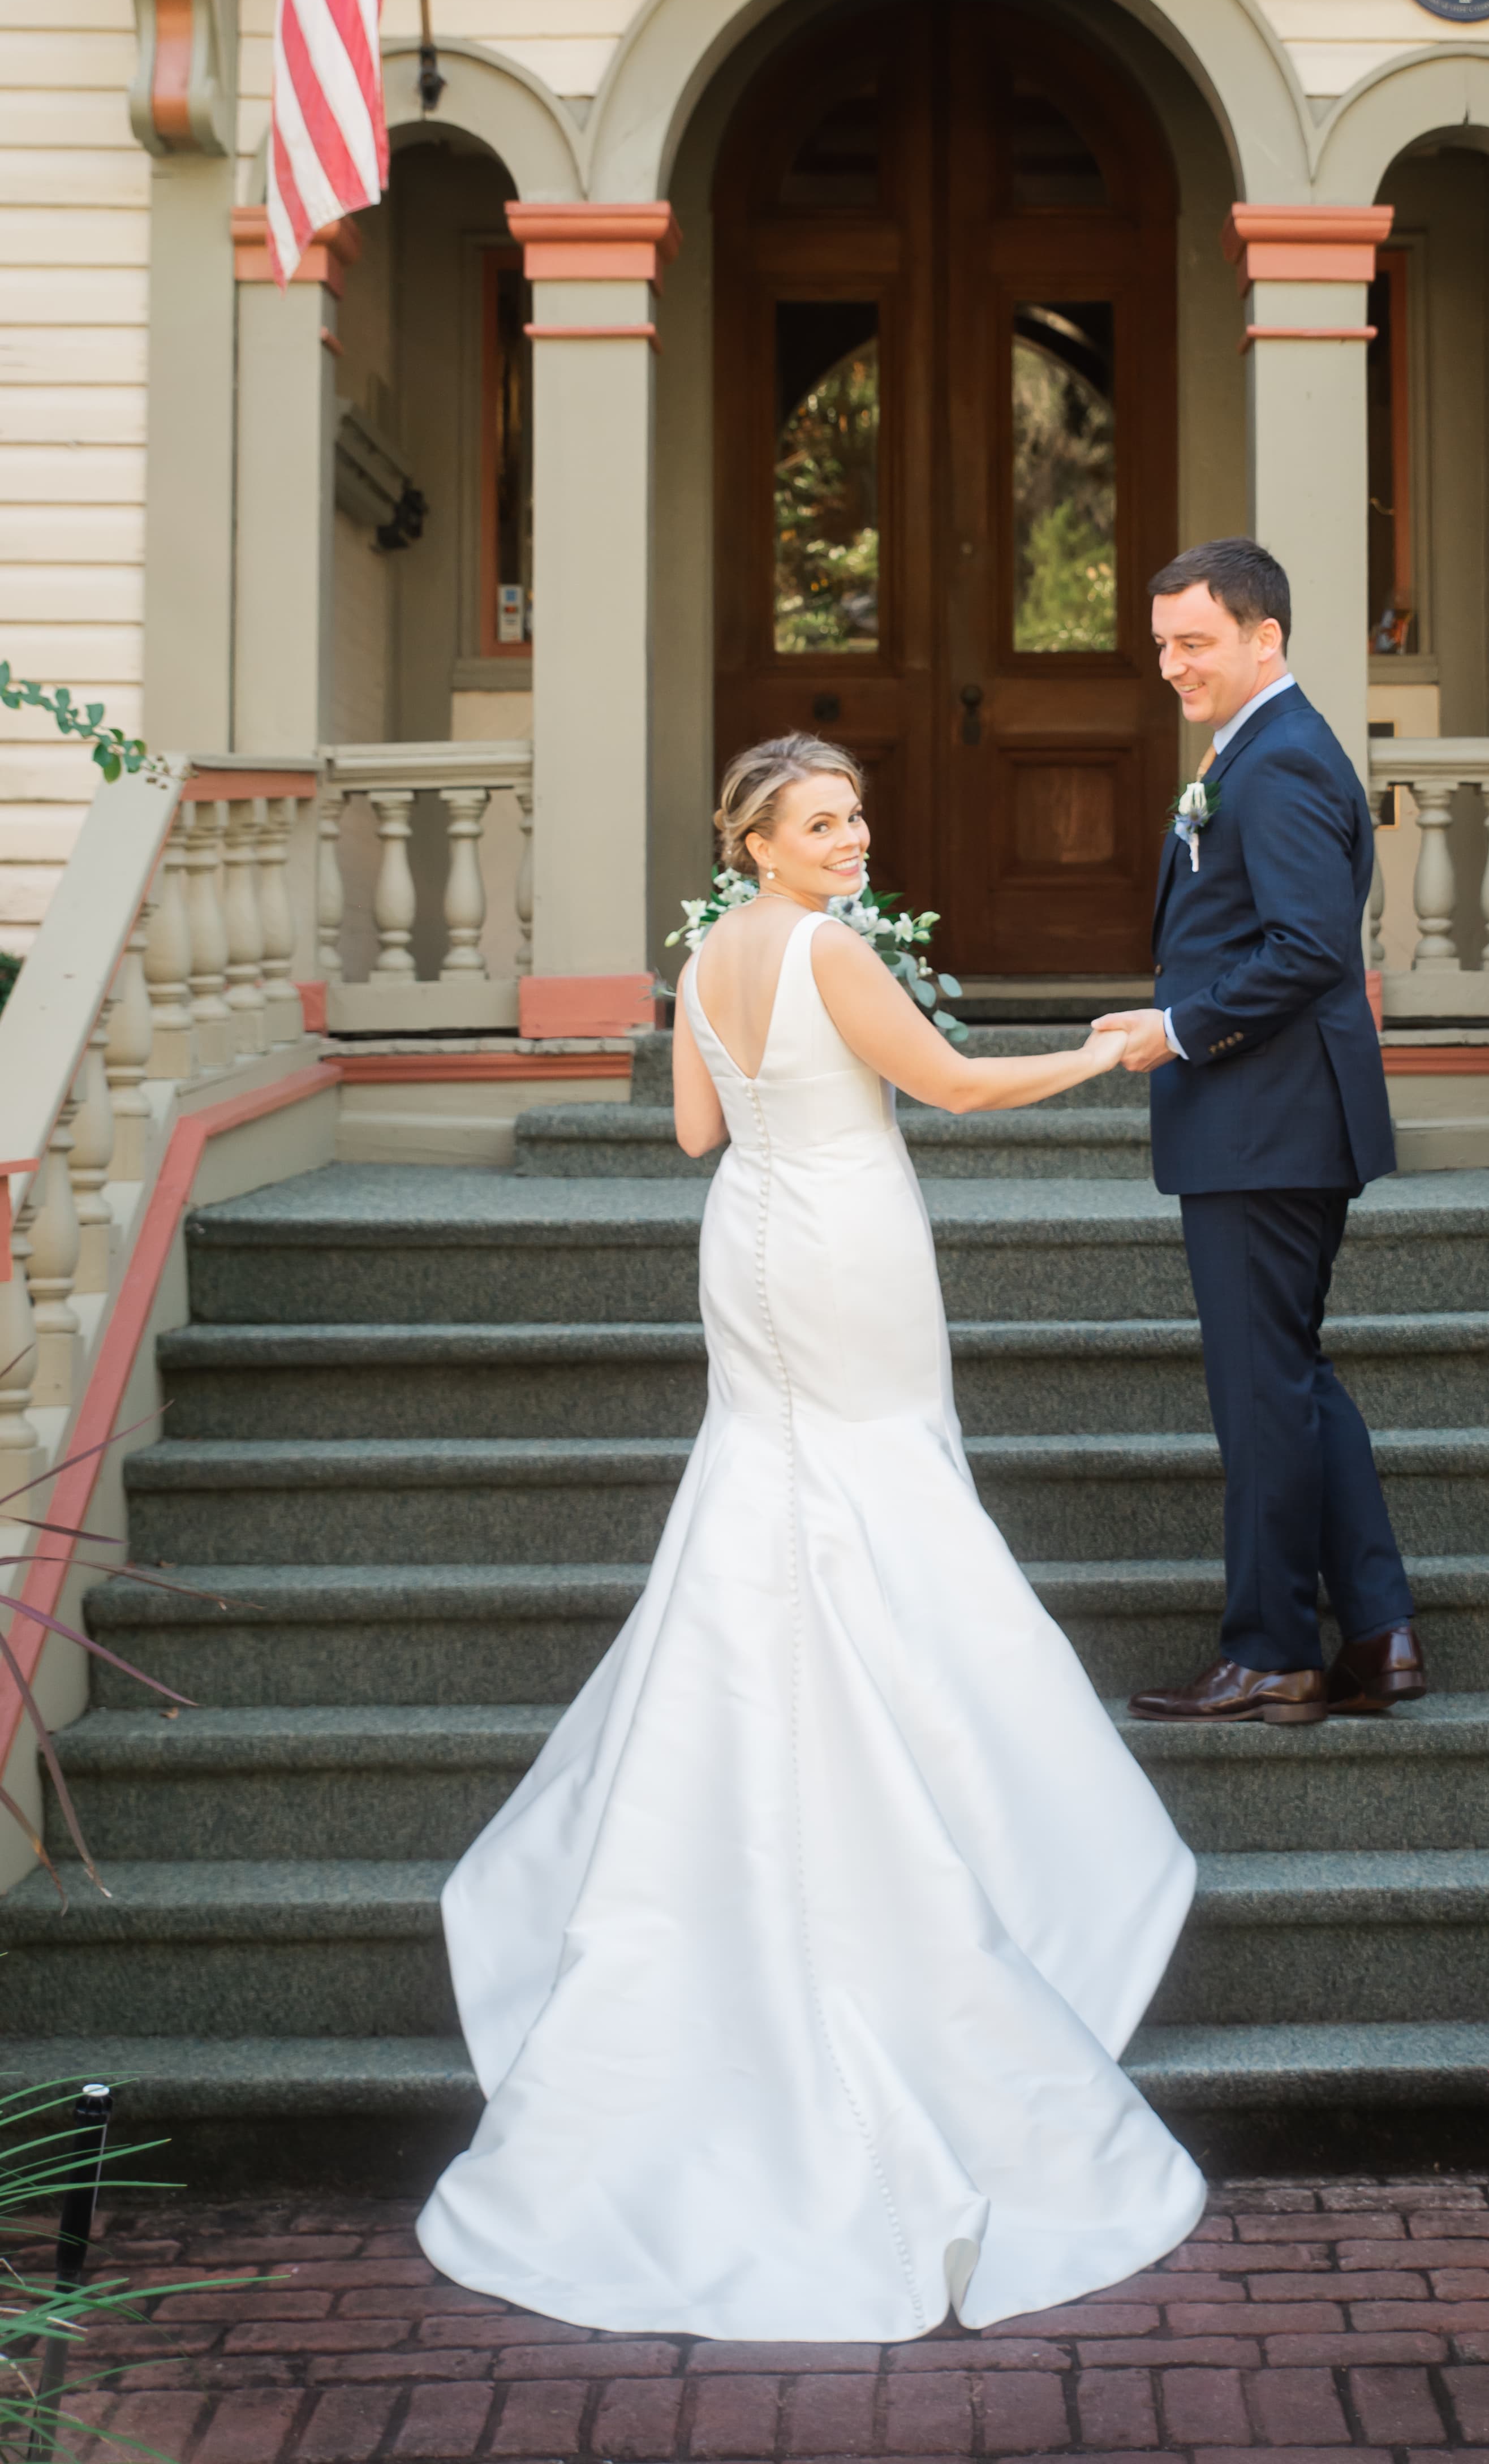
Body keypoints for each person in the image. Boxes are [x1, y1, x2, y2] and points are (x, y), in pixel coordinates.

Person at [417, 734, 1206, 2342]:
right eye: (821, 822)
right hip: (846, 1230)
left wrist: (797, 1094)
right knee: (878, 1487)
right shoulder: (830, 950)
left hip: (753, 1235)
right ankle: (936, 1805)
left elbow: (699, 1134)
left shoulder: (709, 951)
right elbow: (960, 1085)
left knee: (772, 1488)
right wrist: (1129, 1048)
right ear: (759, 841)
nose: (852, 841)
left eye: (856, 815)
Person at [1095, 539, 1424, 1729]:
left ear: (1264, 639)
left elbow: (1308, 949)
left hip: (1264, 1120)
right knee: (1292, 1379)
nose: (1172, 665)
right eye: (1164, 643)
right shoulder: (1265, 749)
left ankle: (1275, 1649)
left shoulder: (1277, 765)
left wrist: (1178, 1030)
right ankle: (1379, 1632)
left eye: (1196, 643)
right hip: (1277, 1118)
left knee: (1259, 1392)